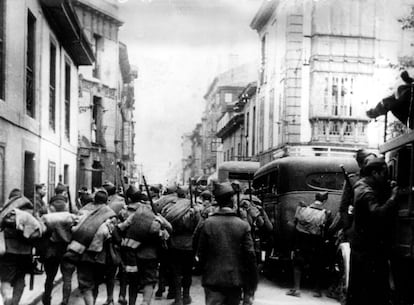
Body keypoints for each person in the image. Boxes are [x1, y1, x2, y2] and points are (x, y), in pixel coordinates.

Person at [346, 158, 399, 305]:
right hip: (367, 252)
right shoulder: (365, 191)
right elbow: (377, 214)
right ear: (375, 173)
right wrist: (393, 198)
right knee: (369, 294)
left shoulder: (362, 187)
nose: (386, 178)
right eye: (384, 174)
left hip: (365, 250)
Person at [195, 182, 258, 305]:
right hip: (235, 280)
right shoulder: (243, 225)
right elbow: (250, 256)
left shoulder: (207, 223)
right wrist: (251, 283)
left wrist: (202, 269)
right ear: (231, 201)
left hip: (212, 279)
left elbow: (200, 252)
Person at [66, 189, 119, 305]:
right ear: (107, 200)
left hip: (83, 252)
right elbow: (115, 235)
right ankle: (109, 298)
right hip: (102, 256)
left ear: (94, 200)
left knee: (87, 285)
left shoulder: (83, 210)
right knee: (100, 280)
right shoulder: (109, 213)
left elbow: (73, 227)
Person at [0, 189, 42, 305]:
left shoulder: (5, 212)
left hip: (8, 251)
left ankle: (7, 297)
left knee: (6, 280)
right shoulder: (30, 212)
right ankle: (15, 302)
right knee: (20, 279)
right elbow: (39, 229)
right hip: (26, 253)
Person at [287, 191, 331, 298]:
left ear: (314, 198)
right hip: (316, 241)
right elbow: (326, 228)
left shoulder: (302, 209)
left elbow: (295, 223)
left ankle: (296, 289)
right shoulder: (326, 213)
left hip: (301, 239)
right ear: (325, 200)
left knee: (297, 264)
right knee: (318, 264)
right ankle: (317, 290)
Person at [162, 187, 201, 305]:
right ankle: (186, 296)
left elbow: (164, 223)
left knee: (176, 272)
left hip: (174, 243)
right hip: (190, 244)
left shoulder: (169, 207)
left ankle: (178, 298)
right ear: (187, 194)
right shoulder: (193, 208)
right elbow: (198, 226)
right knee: (187, 272)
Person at [40, 196, 78, 305]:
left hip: (51, 250)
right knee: (67, 278)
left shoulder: (47, 218)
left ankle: (47, 298)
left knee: (50, 277)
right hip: (68, 249)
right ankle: (65, 300)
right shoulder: (71, 217)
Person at [339, 149, 376, 240]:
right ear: (361, 165)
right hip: (358, 229)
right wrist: (347, 228)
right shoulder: (352, 180)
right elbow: (343, 207)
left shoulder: (379, 178)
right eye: (369, 162)